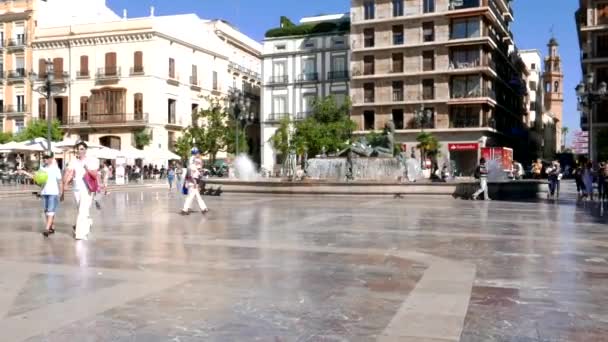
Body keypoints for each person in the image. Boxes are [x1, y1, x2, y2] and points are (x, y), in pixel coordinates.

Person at [61, 141, 100, 240]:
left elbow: (95, 175)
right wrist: (65, 184)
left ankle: (80, 234)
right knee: (82, 210)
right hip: (76, 189)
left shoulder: (91, 160)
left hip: (87, 188)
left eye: (82, 149)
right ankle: (88, 223)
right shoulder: (73, 161)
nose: (80, 151)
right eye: (78, 149)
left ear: (86, 150)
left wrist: (87, 169)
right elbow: (69, 173)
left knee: (82, 211)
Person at [20, 152, 63, 237]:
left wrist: (62, 193)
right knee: (47, 211)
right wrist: (24, 172)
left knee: (50, 211)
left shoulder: (55, 169)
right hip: (44, 192)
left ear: (51, 158)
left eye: (47, 158)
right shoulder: (42, 168)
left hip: (53, 193)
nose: (45, 159)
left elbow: (60, 181)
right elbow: (36, 178)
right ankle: (52, 227)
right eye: (44, 158)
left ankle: (47, 229)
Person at [181, 148, 209, 215]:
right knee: (190, 197)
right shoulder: (192, 167)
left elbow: (197, 173)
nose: (198, 154)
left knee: (197, 196)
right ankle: (185, 209)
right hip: (193, 183)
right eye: (197, 153)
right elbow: (191, 176)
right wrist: (195, 183)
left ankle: (204, 208)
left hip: (193, 182)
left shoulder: (193, 167)